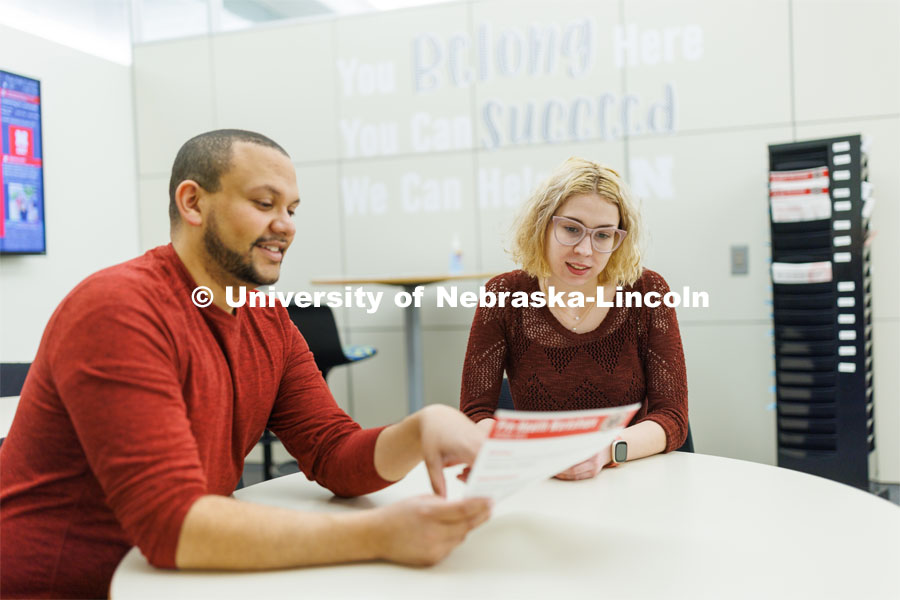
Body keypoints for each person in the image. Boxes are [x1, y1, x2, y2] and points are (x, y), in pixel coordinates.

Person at [0, 130, 492, 599]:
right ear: (192, 202)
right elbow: (171, 524)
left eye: (292, 209)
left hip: (180, 582)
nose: (287, 225)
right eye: (264, 204)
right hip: (69, 588)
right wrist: (377, 534)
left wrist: (420, 429)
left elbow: (332, 452)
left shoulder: (265, 318)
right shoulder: (119, 309)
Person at [459, 157, 688, 480]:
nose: (585, 249)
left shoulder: (647, 291)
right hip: (539, 481)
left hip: (631, 478)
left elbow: (673, 417)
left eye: (603, 235)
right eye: (571, 229)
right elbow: (474, 414)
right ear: (542, 224)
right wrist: (530, 454)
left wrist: (607, 451)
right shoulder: (504, 294)